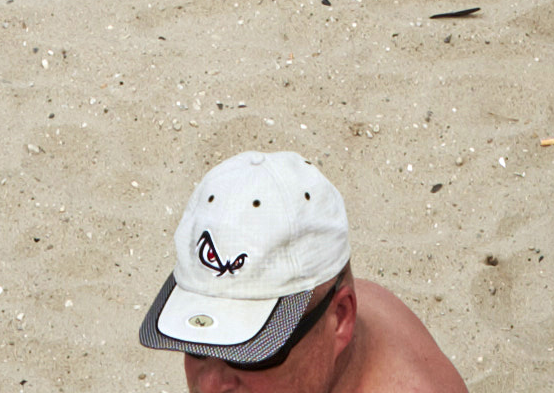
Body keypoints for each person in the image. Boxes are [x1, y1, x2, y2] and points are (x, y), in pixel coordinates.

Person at [136, 151, 466, 385]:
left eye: (251, 354)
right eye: (195, 347)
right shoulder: (323, 299)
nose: (208, 385)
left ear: (340, 318)